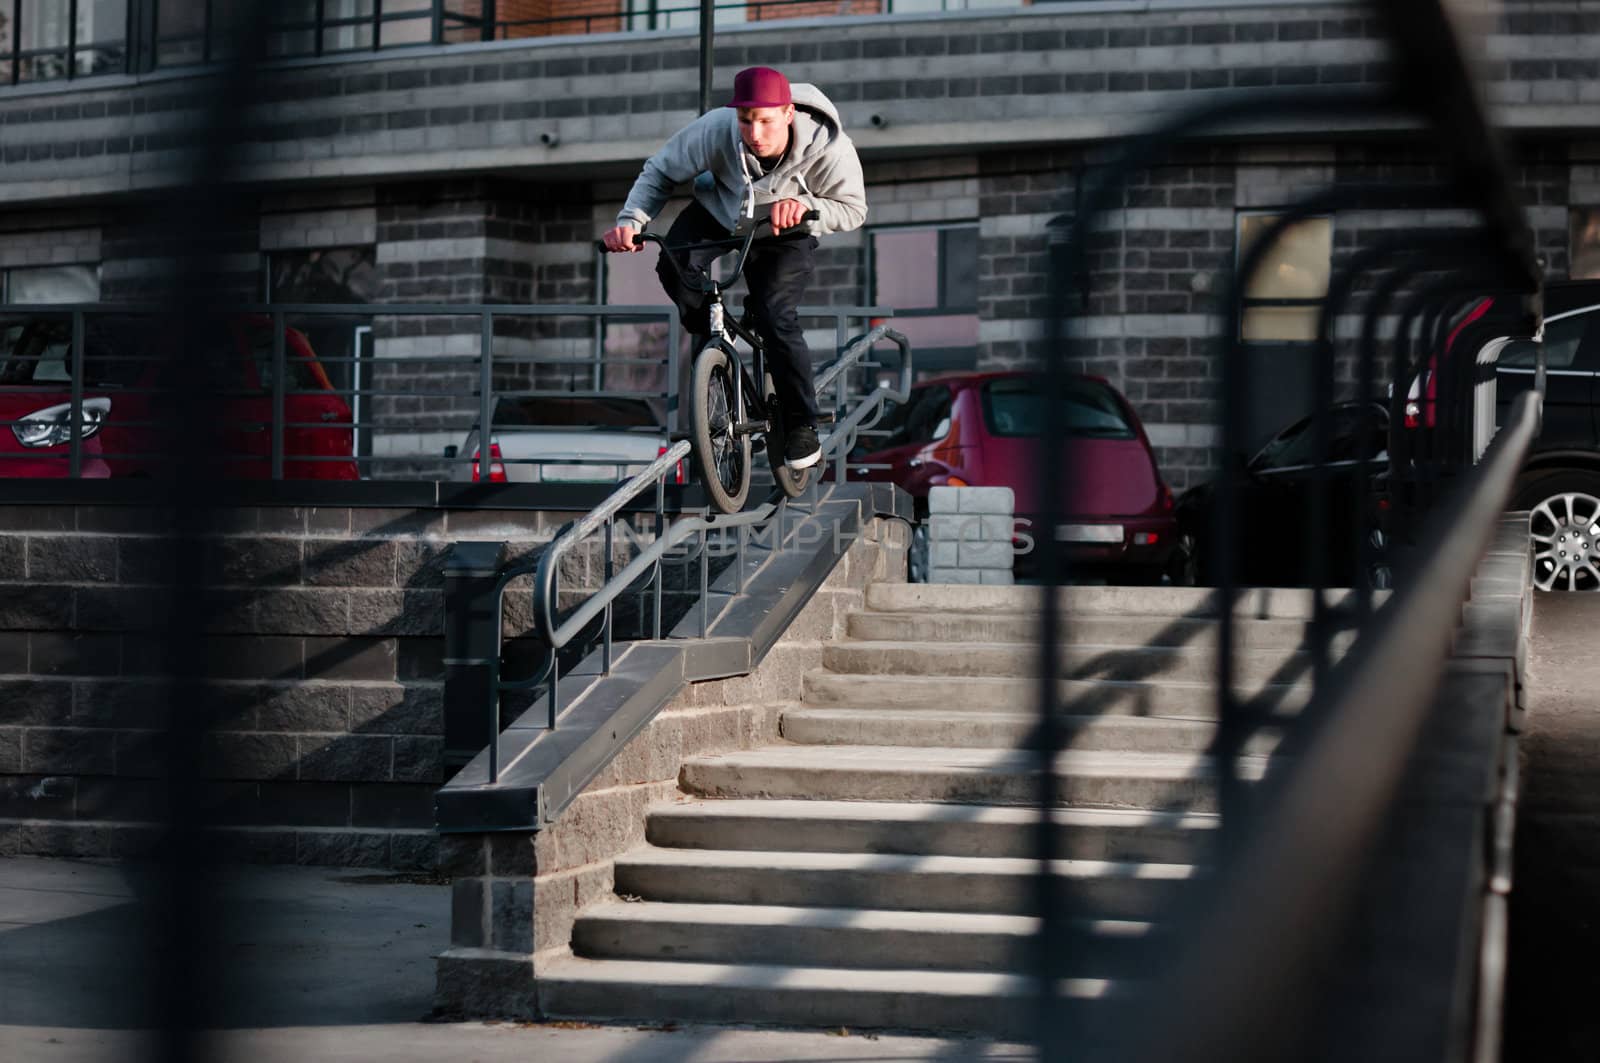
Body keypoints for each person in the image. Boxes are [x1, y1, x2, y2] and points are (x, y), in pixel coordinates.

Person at [600, 66, 868, 471]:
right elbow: (659, 171)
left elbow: (854, 209)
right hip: (720, 211)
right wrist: (631, 223)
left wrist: (808, 209)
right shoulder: (715, 130)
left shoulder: (828, 146)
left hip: (786, 227)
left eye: (766, 121)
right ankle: (718, 352)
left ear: (788, 113)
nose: (755, 134)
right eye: (746, 121)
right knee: (674, 267)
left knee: (775, 313)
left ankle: (801, 424)